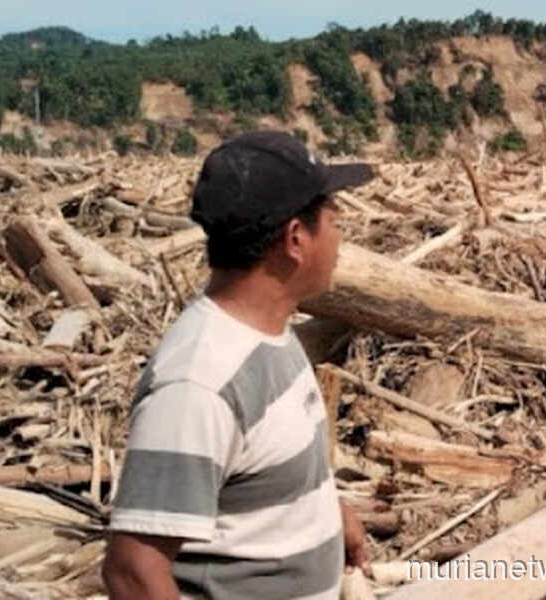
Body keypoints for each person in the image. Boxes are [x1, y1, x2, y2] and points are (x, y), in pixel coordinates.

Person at [102, 130, 376, 600]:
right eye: (334, 218)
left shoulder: (269, 330)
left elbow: (259, 473)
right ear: (295, 239)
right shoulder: (199, 384)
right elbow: (132, 574)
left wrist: (329, 513)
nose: (341, 235)